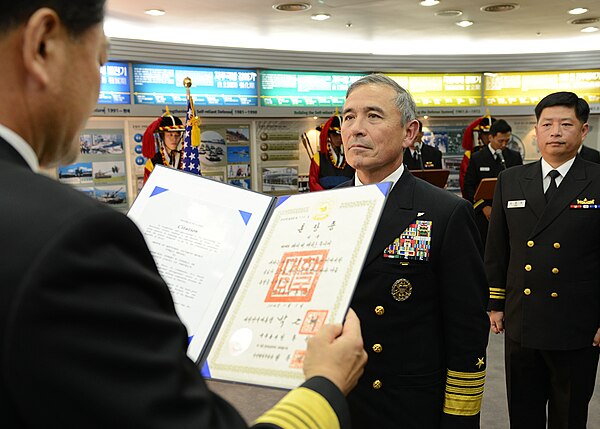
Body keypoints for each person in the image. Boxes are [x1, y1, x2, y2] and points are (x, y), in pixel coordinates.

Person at [0, 2, 368, 428]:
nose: (97, 85)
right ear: (42, 45)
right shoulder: (73, 238)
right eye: (99, 59)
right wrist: (324, 385)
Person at [338, 73, 490, 428]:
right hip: (337, 402)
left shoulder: (445, 213)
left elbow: (466, 330)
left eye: (373, 116)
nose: (356, 128)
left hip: (406, 405)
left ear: (409, 132)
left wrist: (459, 418)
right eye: (348, 117)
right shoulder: (320, 208)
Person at [486, 91, 600, 429]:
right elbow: (497, 249)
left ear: (583, 130)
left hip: (577, 323)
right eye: (547, 124)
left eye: (566, 124)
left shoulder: (596, 178)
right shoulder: (511, 180)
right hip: (523, 318)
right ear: (536, 130)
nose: (555, 132)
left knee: (569, 415)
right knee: (523, 412)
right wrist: (495, 303)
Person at [463, 119, 523, 246]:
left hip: (508, 211)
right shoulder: (477, 157)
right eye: (500, 141)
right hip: (484, 213)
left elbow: (520, 183)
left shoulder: (514, 157)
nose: (504, 145)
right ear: (490, 137)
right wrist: (483, 206)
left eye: (507, 141)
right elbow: (469, 186)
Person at [308, 114, 355, 191]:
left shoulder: (351, 155)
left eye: (341, 135)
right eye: (335, 135)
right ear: (329, 136)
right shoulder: (319, 157)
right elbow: (313, 181)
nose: (339, 138)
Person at [142, 109, 186, 183]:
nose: (174, 139)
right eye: (170, 135)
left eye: (177, 135)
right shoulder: (153, 162)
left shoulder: (187, 158)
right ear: (162, 136)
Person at [459, 115, 496, 194]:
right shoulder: (472, 154)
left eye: (492, 135)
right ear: (480, 135)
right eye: (486, 134)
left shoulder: (508, 154)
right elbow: (465, 183)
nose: (489, 137)